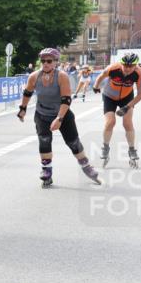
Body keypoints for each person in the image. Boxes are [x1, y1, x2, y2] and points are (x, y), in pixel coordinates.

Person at [16, 48, 100, 187]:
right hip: (42, 114)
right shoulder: (34, 76)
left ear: (55, 62)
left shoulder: (61, 76)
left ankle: (86, 166)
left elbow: (66, 100)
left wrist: (59, 119)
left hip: (63, 114)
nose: (45, 64)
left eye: (49, 61)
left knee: (73, 143)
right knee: (44, 141)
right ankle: (47, 171)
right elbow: (27, 93)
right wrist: (22, 109)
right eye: (43, 61)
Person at [92, 52, 141, 168]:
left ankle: (132, 150)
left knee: (127, 123)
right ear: (121, 63)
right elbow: (101, 76)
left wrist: (127, 107)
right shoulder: (113, 68)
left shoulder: (140, 73)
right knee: (110, 122)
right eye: (125, 65)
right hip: (109, 96)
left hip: (127, 98)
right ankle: (105, 147)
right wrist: (95, 86)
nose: (127, 68)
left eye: (130, 66)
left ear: (135, 66)